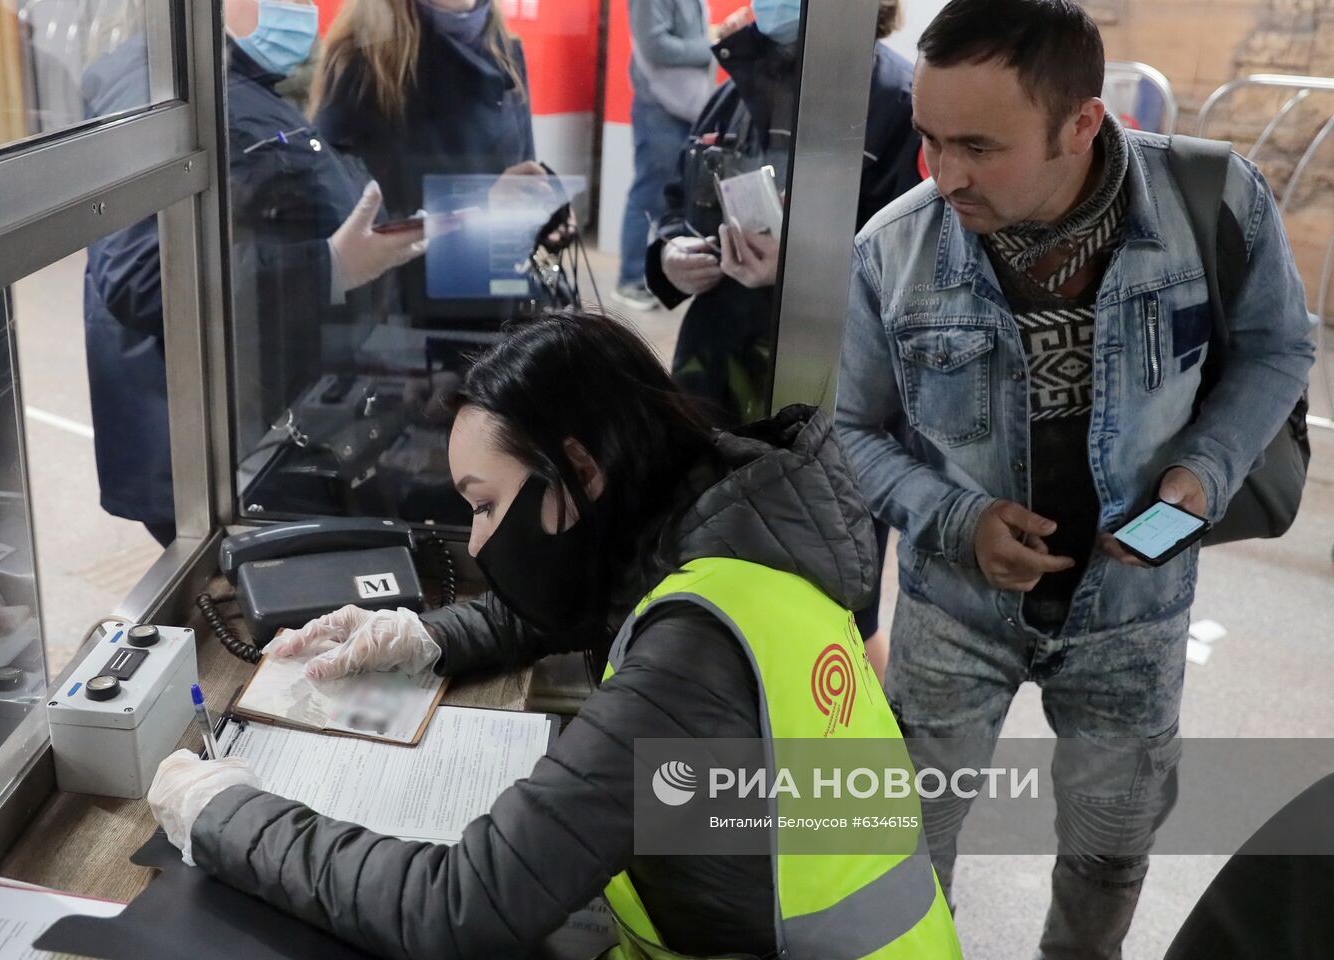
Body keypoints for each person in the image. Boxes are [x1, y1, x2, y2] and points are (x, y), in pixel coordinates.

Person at [148, 311, 961, 959]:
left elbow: (457, 907)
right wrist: (425, 637)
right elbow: (584, 598)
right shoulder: (735, 529)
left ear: (579, 471)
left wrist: (225, 814)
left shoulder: (690, 659)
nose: (475, 543)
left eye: (486, 504)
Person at [834, 1, 1316, 957]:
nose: (945, 172)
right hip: (952, 617)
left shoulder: (1214, 203)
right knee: (903, 849)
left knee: (1108, 852)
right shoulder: (892, 251)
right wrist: (953, 519)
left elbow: (1277, 348)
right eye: (929, 138)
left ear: (1082, 124)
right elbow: (847, 432)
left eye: (979, 144)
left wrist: (1199, 477)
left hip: (1134, 610)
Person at [82, 0, 424, 545]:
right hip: (214, 454)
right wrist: (330, 266)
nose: (303, 9)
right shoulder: (154, 87)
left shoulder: (231, 79)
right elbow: (142, 277)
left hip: (264, 423)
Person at [646, 0, 919, 425]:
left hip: (822, 388)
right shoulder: (736, 87)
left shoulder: (899, 104)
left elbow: (911, 267)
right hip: (710, 376)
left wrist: (802, 272)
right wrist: (669, 257)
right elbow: (677, 201)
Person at [309, 0, 543, 328]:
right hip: (412, 315)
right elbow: (353, 215)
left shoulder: (506, 49)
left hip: (496, 294)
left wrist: (545, 211)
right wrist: (481, 206)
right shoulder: (364, 59)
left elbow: (522, 167)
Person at [611, 0, 716, 313]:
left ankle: (657, 278)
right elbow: (655, 45)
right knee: (648, 194)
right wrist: (711, 45)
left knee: (671, 198)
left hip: (686, 108)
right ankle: (629, 279)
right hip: (660, 108)